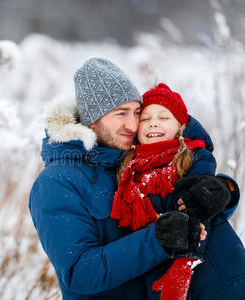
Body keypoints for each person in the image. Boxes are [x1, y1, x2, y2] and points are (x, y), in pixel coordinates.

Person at [29, 58, 240, 299]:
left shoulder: (135, 158)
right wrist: (158, 239)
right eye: (121, 113)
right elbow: (80, 272)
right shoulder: (56, 183)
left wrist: (223, 192)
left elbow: (188, 200)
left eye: (137, 112)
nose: (132, 124)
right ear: (93, 121)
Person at [111, 83, 245, 299]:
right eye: (145, 119)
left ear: (180, 127)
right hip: (159, 271)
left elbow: (198, 211)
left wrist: (183, 263)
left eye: (164, 118)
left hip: (216, 271)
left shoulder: (193, 156)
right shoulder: (128, 169)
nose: (153, 123)